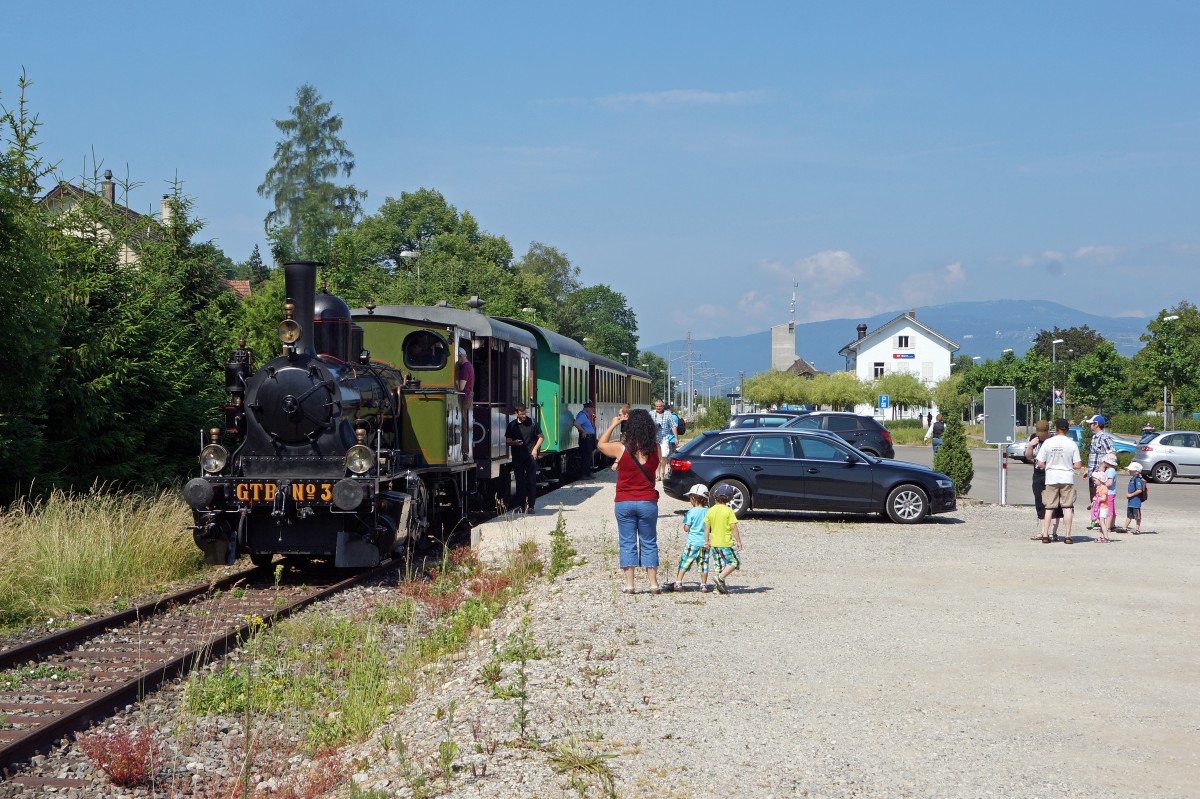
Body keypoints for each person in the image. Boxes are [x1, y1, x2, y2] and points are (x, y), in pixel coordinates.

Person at [598, 407, 661, 594]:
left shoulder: (621, 449)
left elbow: (601, 444)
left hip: (624, 502)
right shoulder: (655, 449)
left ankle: (630, 585)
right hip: (648, 502)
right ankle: (653, 584)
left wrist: (613, 424)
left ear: (629, 427)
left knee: (627, 542)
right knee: (649, 541)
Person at [1035, 418, 1083, 544]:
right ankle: (1067, 536)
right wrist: (1067, 466)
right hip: (1066, 477)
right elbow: (1078, 464)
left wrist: (1049, 467)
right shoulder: (1071, 444)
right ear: (1067, 430)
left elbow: (1039, 462)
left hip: (1051, 477)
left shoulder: (1048, 442)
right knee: (1067, 507)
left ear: (1055, 429)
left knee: (1049, 507)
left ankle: (1045, 534)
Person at [666, 484, 710, 593]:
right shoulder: (708, 512)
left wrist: (686, 525)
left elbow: (686, 528)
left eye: (690, 498)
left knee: (685, 562)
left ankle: (679, 582)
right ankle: (703, 585)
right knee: (704, 564)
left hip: (692, 542)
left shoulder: (691, 512)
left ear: (694, 498)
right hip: (705, 543)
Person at [1026, 420, 1063, 541]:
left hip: (1052, 474)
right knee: (1040, 502)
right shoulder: (1034, 438)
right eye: (1039, 432)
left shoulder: (1053, 440)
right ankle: (1043, 531)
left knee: (1055, 504)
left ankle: (1053, 532)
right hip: (1038, 475)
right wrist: (1030, 445)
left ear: (1048, 431)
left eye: (1043, 432)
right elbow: (1029, 457)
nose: (1040, 435)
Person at [505, 404, 543, 514]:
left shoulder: (532, 423)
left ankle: (531, 506)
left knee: (531, 480)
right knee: (519, 481)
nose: (524, 416)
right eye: (521, 414)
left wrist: (535, 449)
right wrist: (514, 442)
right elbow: (508, 441)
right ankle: (521, 505)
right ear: (516, 413)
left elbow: (541, 437)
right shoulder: (512, 425)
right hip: (517, 456)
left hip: (530, 456)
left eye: (525, 413)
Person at [706, 485, 743, 594]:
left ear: (715, 496)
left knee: (719, 565)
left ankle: (717, 589)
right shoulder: (728, 511)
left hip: (715, 544)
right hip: (726, 543)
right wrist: (738, 541)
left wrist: (706, 541)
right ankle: (720, 578)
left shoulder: (710, 510)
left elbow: (707, 527)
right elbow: (733, 527)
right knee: (734, 562)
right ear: (730, 498)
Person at [1083, 415, 1114, 530]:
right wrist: (1088, 470)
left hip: (1100, 475)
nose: (1090, 425)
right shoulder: (1094, 437)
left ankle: (1103, 522)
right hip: (1093, 473)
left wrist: (1103, 466)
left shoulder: (1104, 437)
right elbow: (1094, 455)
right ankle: (1096, 519)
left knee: (1101, 497)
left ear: (1096, 424)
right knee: (1094, 497)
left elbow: (1112, 453)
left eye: (1091, 423)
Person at [651, 400, 678, 480]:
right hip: (654, 438)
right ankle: (657, 474)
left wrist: (676, 437)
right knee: (656, 456)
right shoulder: (651, 414)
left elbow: (673, 426)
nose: (658, 408)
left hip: (664, 438)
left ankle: (663, 471)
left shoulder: (668, 414)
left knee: (663, 456)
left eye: (659, 406)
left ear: (663, 406)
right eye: (657, 406)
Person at [456, 346, 475, 459]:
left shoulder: (464, 368)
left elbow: (461, 387)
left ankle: (464, 451)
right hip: (468, 397)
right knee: (466, 425)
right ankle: (466, 451)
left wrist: (454, 381)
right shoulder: (470, 366)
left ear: (461, 356)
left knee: (464, 425)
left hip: (465, 399)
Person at [573, 400, 597, 476]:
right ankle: (585, 475)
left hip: (589, 438)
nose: (593, 410)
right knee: (586, 457)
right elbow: (576, 423)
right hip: (586, 439)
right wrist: (583, 431)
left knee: (588, 456)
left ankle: (587, 473)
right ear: (587, 408)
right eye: (591, 408)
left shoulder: (585, 415)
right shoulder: (582, 415)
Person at [1089, 468, 1112, 543]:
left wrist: (1097, 499)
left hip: (1103, 507)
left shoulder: (1104, 487)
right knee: (1100, 522)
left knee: (1102, 522)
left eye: (1095, 480)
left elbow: (1104, 498)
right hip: (1099, 507)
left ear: (1100, 480)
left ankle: (1106, 537)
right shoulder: (1099, 487)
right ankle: (1102, 536)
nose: (1094, 482)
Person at [1123, 461, 1145, 535]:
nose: (1129, 471)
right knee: (1129, 515)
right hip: (1131, 502)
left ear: (1136, 472)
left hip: (1136, 502)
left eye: (1131, 470)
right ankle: (1124, 527)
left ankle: (1137, 529)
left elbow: (1139, 490)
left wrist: (1131, 495)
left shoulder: (1137, 479)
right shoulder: (1132, 479)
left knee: (1137, 516)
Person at [610, 404, 631, 473]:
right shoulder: (634, 423)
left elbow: (623, 447)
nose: (618, 417)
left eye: (620, 415)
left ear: (626, 415)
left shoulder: (626, 425)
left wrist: (616, 462)